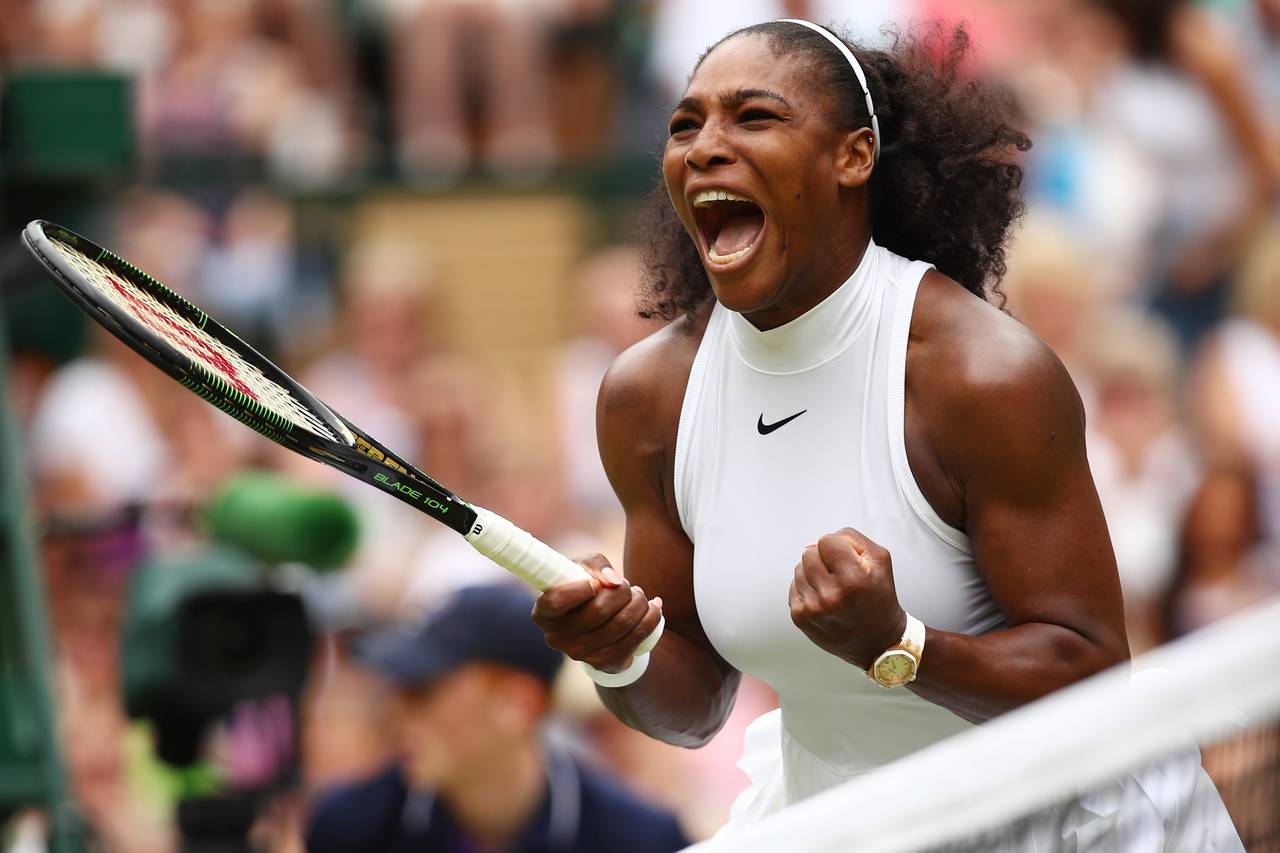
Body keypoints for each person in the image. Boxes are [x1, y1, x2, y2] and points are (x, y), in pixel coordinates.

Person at [529, 18, 1242, 844]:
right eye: (686, 125)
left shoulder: (982, 375)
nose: (704, 148)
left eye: (753, 116)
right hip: (844, 819)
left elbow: (1088, 672)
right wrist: (619, 654)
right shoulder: (648, 397)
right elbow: (692, 703)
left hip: (1064, 820)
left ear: (854, 156)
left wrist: (900, 644)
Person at [304, 584, 690, 852]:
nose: (396, 711)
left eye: (422, 688)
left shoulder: (640, 840)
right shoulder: (349, 827)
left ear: (518, 703)